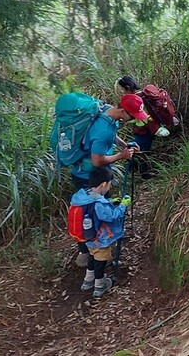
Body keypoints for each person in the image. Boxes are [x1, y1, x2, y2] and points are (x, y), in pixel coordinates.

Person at [72, 94, 147, 267]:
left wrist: (124, 145)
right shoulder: (102, 130)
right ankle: (89, 255)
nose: (133, 120)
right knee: (88, 215)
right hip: (87, 176)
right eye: (133, 116)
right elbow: (97, 161)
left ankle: (96, 251)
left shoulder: (108, 112)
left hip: (95, 175)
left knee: (95, 213)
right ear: (122, 111)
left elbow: (112, 135)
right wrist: (121, 156)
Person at [71, 165, 131, 297]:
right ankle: (99, 286)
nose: (109, 187)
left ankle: (88, 281)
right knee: (101, 261)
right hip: (100, 239)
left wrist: (109, 202)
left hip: (88, 238)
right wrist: (123, 205)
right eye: (109, 185)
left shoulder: (84, 195)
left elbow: (97, 209)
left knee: (92, 258)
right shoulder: (99, 204)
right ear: (103, 184)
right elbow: (111, 216)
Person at [116, 75, 162, 179]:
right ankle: (136, 170)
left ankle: (142, 173)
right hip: (150, 128)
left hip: (142, 130)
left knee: (141, 150)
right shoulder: (144, 95)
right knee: (141, 149)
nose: (122, 92)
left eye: (123, 89)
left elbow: (139, 117)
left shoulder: (133, 99)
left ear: (127, 87)